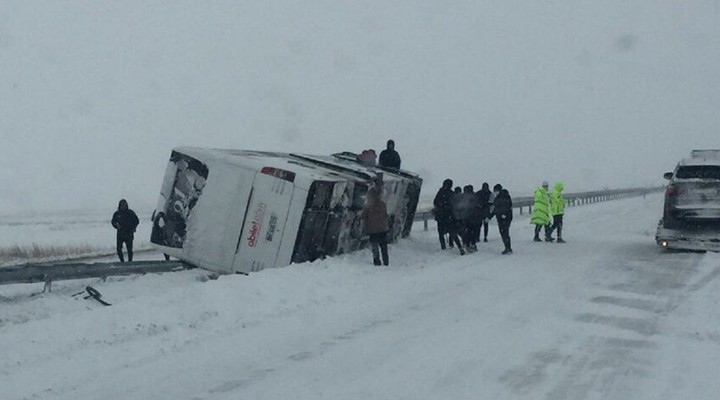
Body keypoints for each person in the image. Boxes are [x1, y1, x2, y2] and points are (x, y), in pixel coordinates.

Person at [433, 179, 464, 254]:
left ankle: (444, 248)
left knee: (441, 233)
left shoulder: (440, 192)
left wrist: (441, 205)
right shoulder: (451, 193)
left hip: (441, 216)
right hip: (449, 216)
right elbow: (455, 205)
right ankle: (459, 247)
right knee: (452, 232)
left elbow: (435, 202)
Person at [362, 187, 390, 266]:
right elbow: (385, 215)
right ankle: (386, 261)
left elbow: (364, 216)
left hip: (373, 230)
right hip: (383, 229)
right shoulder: (383, 205)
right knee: (384, 247)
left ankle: (377, 261)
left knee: (375, 247)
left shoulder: (368, 207)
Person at [493, 186, 513, 254]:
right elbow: (495, 209)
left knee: (504, 232)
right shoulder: (497, 198)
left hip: (505, 217)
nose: (495, 193)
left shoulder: (505, 197)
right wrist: (489, 217)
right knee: (503, 232)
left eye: (496, 191)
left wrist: (504, 214)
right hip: (500, 218)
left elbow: (508, 206)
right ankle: (507, 247)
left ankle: (508, 248)